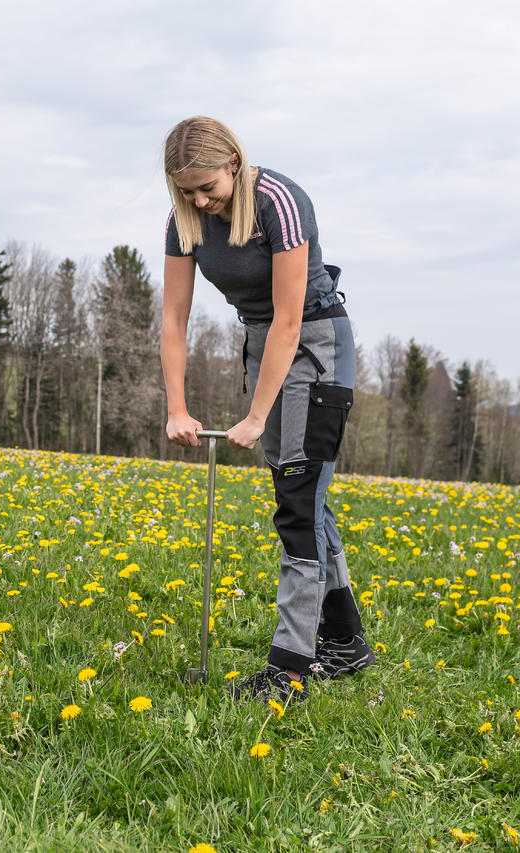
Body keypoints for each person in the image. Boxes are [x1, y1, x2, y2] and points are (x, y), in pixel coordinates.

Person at [161, 116, 374, 704]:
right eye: (188, 192)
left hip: (314, 342)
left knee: (299, 503)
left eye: (209, 187)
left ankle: (290, 668)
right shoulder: (185, 220)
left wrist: (255, 417)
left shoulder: (279, 201)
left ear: (234, 162)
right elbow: (174, 320)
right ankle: (345, 642)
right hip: (263, 344)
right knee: (301, 491)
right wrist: (177, 406)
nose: (200, 200)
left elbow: (288, 318)